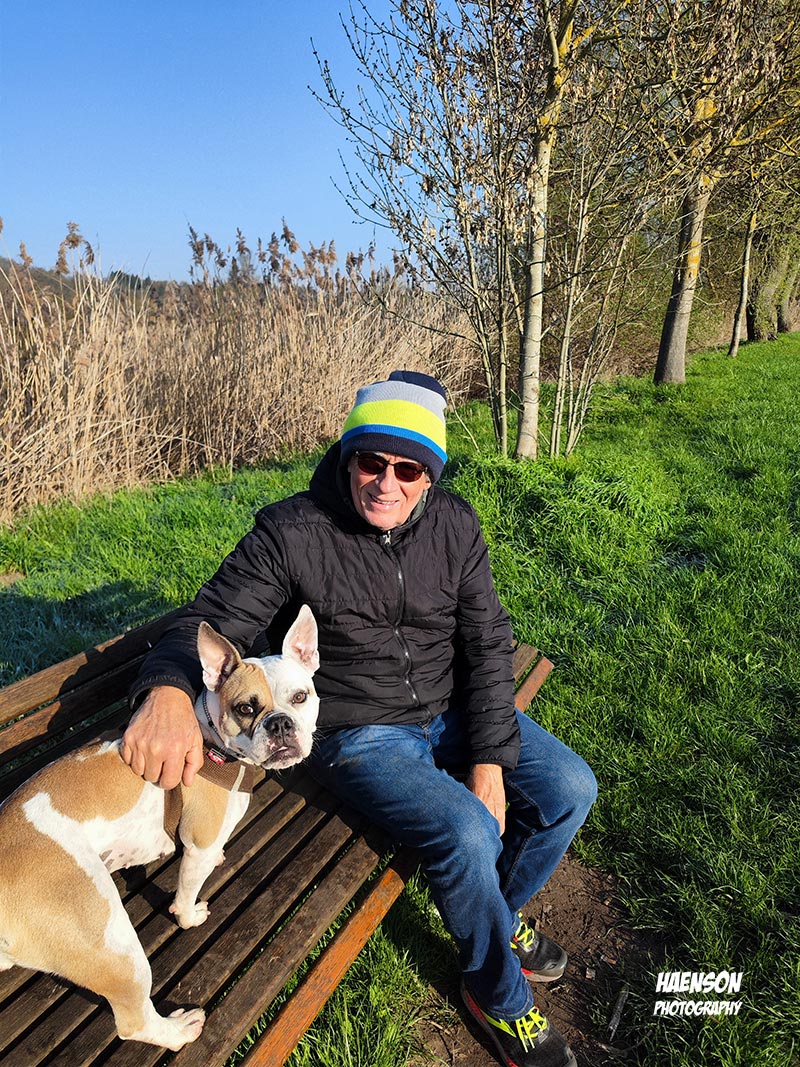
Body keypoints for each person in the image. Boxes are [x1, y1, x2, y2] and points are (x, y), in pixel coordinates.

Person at [122, 370, 597, 1067]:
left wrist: (490, 761)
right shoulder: (291, 532)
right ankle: (497, 995)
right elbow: (212, 618)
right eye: (372, 461)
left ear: (431, 476)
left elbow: (488, 640)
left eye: (409, 469)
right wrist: (166, 689)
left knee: (571, 788)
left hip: (449, 704)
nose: (387, 483)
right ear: (348, 458)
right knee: (467, 829)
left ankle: (497, 912)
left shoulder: (455, 524)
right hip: (359, 732)